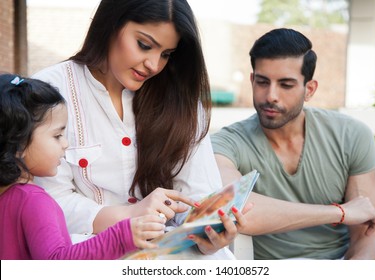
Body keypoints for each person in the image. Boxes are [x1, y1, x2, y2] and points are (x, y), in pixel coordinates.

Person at [32, 0, 242, 258]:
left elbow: (198, 196)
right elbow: (47, 203)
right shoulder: (51, 90)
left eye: (166, 54)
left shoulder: (181, 101)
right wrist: (129, 216)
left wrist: (208, 236)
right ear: (111, 25)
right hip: (89, 252)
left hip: (174, 254)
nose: (153, 65)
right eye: (144, 45)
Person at [211, 28, 375, 259]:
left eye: (286, 85)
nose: (271, 95)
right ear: (252, 81)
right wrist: (339, 213)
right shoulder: (225, 144)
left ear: (309, 89)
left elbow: (366, 235)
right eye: (263, 82)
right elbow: (235, 209)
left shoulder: (351, 136)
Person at [0, 74, 168, 259]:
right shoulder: (34, 200)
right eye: (57, 136)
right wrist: (122, 237)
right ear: (20, 144)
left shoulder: (8, 196)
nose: (65, 144)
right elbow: (57, 262)